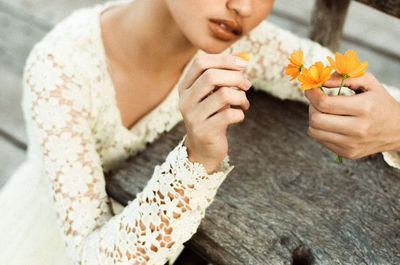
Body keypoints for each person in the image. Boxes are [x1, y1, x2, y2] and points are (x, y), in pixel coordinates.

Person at [0, 0, 399, 264]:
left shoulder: (244, 44)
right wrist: (198, 158)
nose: (244, 7)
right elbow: (90, 256)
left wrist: (394, 127)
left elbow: (352, 83)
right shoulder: (59, 74)